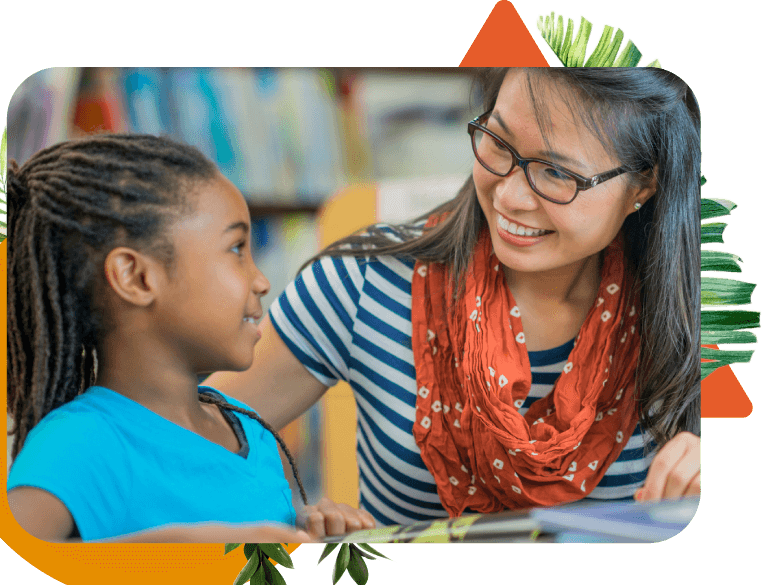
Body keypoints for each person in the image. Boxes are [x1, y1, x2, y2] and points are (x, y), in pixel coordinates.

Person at [204, 67, 702, 525]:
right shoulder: (363, 282)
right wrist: (289, 523)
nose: (508, 196)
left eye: (556, 173)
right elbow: (175, 450)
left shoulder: (703, 313)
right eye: (498, 142)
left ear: (644, 183)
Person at [6, 134, 376, 542]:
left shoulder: (250, 429)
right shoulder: (79, 443)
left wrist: (305, 524)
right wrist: (177, 548)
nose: (262, 280)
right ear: (136, 277)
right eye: (236, 248)